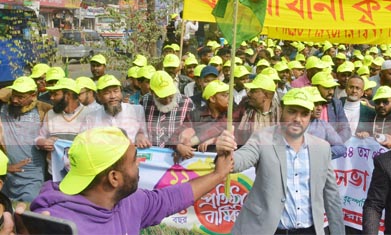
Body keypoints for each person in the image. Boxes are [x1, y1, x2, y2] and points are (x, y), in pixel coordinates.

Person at [30, 127, 233, 234]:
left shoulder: (130, 200)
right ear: (114, 178)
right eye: (134, 159)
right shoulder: (56, 223)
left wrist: (218, 174)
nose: (139, 163)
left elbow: (171, 198)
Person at [215, 88, 345, 235]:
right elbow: (238, 162)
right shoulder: (262, 138)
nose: (297, 118)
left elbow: (331, 196)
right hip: (268, 229)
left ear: (310, 116)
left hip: (310, 230)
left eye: (304, 114)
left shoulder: (322, 148)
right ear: (281, 110)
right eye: (292, 111)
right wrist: (224, 152)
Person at [0, 77, 51, 201]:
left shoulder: (43, 111)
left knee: (27, 211)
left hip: (32, 177)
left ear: (33, 96)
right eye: (13, 96)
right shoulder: (4, 109)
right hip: (7, 176)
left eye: (21, 97)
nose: (15, 100)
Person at [82, 75, 149, 146]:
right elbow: (83, 142)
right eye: (107, 93)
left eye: (116, 91)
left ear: (121, 92)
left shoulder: (137, 111)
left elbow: (144, 134)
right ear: (98, 96)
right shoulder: (91, 118)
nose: (113, 96)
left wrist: (140, 135)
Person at [141, 71, 194, 156]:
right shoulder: (145, 101)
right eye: (162, 97)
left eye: (170, 96)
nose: (167, 100)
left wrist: (178, 144)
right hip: (152, 156)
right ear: (152, 91)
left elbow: (192, 130)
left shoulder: (186, 103)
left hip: (176, 158)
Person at [311, 71, 352, 142]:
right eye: (327, 88)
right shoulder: (307, 104)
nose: (331, 92)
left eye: (333, 88)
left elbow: (345, 128)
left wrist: (335, 143)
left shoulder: (336, 103)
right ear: (315, 88)